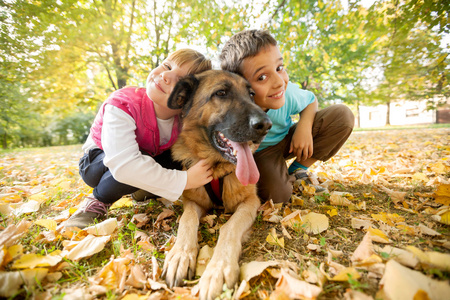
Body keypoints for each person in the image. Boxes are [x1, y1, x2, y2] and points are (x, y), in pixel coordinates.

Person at [65, 49, 213, 229]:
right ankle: (96, 201)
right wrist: (185, 180)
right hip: (97, 163)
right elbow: (125, 165)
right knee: (134, 164)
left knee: (174, 158)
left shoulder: (181, 121)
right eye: (167, 66)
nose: (166, 75)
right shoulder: (123, 103)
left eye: (182, 81)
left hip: (141, 157)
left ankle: (142, 188)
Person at [219, 29, 354, 204]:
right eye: (262, 77)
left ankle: (298, 170)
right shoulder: (232, 109)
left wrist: (304, 127)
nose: (279, 81)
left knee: (342, 116)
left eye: (279, 68)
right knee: (278, 197)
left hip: (288, 140)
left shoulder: (286, 92)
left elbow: (311, 100)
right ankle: (280, 176)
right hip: (260, 153)